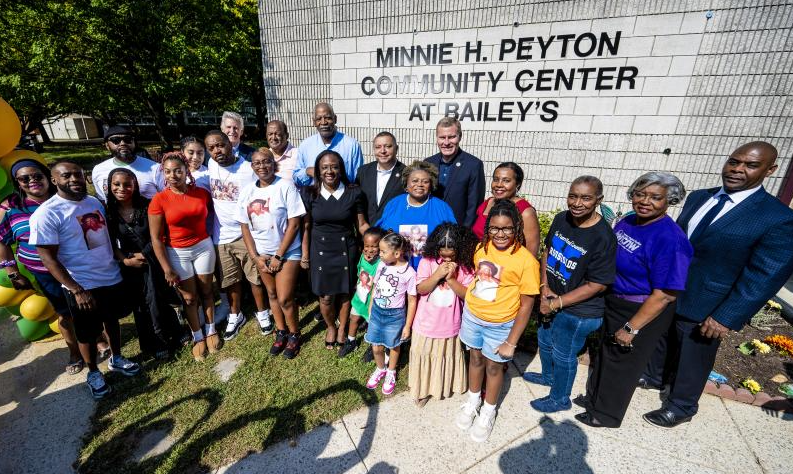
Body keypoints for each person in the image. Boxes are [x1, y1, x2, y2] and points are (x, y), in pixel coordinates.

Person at [643, 142, 793, 428]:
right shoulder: (700, 197)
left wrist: (727, 315)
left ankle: (682, 405)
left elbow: (765, 274)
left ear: (770, 170)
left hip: (711, 301)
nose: (737, 169)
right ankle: (653, 376)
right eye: (733, 162)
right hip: (671, 290)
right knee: (663, 339)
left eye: (750, 165)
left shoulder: (778, 217)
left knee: (694, 355)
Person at [574, 172, 692, 428]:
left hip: (640, 308)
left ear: (669, 200)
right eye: (640, 194)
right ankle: (594, 399)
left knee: (622, 363)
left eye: (655, 197)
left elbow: (665, 294)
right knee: (605, 354)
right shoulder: (629, 221)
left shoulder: (670, 239)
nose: (645, 201)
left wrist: (631, 327)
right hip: (615, 299)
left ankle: (605, 415)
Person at [30, 160, 140, 399]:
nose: (74, 179)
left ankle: (117, 358)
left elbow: (107, 237)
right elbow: (48, 258)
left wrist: (120, 261)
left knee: (111, 321)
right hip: (81, 283)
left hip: (109, 275)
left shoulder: (93, 203)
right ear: (54, 179)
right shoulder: (47, 213)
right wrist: (76, 289)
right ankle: (93, 372)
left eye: (78, 175)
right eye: (66, 175)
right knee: (87, 332)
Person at [523, 176, 617, 413]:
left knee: (564, 354)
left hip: (579, 311)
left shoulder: (603, 237)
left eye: (586, 198)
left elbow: (598, 284)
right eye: (573, 196)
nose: (577, 203)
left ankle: (560, 398)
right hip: (550, 297)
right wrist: (545, 287)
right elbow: (547, 252)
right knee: (544, 341)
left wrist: (558, 303)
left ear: (598, 200)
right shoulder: (561, 219)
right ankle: (547, 377)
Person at [456, 199, 539, 442]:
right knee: (475, 359)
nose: (500, 234)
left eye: (507, 229)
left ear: (517, 228)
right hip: (473, 316)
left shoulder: (526, 261)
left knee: (494, 367)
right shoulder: (482, 248)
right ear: (487, 228)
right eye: (494, 228)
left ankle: (488, 411)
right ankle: (472, 401)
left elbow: (526, 305)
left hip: (500, 324)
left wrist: (512, 341)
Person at [0, 159, 83, 374]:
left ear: (48, 177)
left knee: (87, 307)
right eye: (24, 178)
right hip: (43, 272)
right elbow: (3, 240)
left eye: (37, 176)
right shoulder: (12, 208)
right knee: (64, 313)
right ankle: (74, 352)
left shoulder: (66, 198)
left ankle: (100, 340)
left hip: (76, 267)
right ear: (17, 182)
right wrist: (12, 272)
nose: (32, 181)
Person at [106, 168, 184, 359]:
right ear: (109, 186)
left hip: (153, 259)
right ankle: (154, 342)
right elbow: (109, 241)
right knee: (141, 304)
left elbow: (159, 234)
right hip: (131, 265)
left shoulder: (148, 205)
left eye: (127, 184)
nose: (122, 188)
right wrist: (126, 259)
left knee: (158, 298)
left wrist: (145, 254)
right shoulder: (108, 213)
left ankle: (174, 333)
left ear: (135, 185)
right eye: (117, 184)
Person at [148, 152, 219, 362]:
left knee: (207, 291)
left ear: (186, 171)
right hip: (177, 252)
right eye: (168, 171)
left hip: (203, 247)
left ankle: (211, 329)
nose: (173, 175)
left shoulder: (201, 193)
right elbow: (156, 238)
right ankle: (198, 336)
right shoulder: (159, 200)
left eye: (178, 170)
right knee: (189, 298)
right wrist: (166, 268)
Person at [205, 131, 273, 341]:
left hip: (245, 234)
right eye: (212, 148)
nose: (217, 151)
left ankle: (262, 312)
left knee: (254, 277)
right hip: (221, 235)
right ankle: (236, 314)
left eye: (221, 145)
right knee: (229, 279)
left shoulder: (246, 170)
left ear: (230, 144)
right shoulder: (211, 165)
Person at [238, 149, 306, 359]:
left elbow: (294, 224)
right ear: (252, 167)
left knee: (285, 297)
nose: (262, 166)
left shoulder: (285, 187)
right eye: (257, 163)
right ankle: (281, 330)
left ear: (273, 164)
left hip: (287, 252)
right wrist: (255, 257)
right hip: (262, 253)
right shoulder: (247, 191)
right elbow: (245, 228)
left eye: (266, 162)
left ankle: (294, 333)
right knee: (272, 295)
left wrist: (278, 256)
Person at [301, 150, 369, 349]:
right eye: (324, 167)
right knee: (326, 296)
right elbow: (305, 227)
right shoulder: (309, 193)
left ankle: (341, 330)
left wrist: (376, 240)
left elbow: (361, 224)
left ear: (341, 169)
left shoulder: (353, 192)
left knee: (346, 292)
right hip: (320, 250)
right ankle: (331, 325)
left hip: (345, 248)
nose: (329, 171)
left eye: (334, 166)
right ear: (318, 170)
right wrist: (305, 254)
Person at [409, 223, 477, 407]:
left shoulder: (465, 267)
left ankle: (444, 385)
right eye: (442, 253)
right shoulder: (427, 262)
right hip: (425, 323)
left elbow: (467, 295)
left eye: (451, 255)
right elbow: (421, 289)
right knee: (425, 354)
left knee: (444, 355)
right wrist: (438, 274)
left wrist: (451, 278)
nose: (446, 257)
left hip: (450, 324)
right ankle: (422, 389)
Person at [375, 161, 457, 269]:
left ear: (431, 185)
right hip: (395, 270)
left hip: (431, 272)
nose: (419, 184)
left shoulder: (442, 207)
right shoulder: (394, 204)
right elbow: (379, 234)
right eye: (415, 181)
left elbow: (454, 239)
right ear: (406, 184)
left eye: (425, 181)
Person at [364, 232, 417, 395]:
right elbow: (375, 286)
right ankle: (380, 368)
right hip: (377, 312)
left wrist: (407, 326)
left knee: (394, 346)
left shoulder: (409, 274)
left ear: (396, 253)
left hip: (395, 316)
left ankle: (391, 372)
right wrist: (371, 306)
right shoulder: (381, 265)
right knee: (376, 346)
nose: (379, 254)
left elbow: (412, 300)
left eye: (382, 251)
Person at [425, 117, 485, 227]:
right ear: (437, 138)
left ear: (460, 137)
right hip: (429, 226)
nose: (446, 142)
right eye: (442, 137)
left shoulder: (473, 165)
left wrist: (464, 234)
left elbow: (474, 206)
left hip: (457, 229)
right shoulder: (428, 163)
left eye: (452, 137)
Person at [472, 162, 541, 256]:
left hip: (506, 268)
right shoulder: (487, 203)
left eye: (506, 181)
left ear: (517, 184)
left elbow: (531, 254)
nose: (499, 184)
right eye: (496, 179)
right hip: (478, 263)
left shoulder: (525, 212)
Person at [293, 103, 363, 186]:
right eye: (319, 119)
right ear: (314, 122)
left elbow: (359, 179)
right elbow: (296, 178)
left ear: (335, 119)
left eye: (328, 118)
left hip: (344, 196)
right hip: (314, 196)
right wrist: (308, 171)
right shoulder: (305, 145)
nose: (323, 122)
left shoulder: (351, 145)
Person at [341, 226, 385, 358]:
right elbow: (359, 271)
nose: (370, 250)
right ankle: (351, 340)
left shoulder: (382, 263)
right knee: (354, 318)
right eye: (367, 246)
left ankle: (373, 346)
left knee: (372, 325)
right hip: (360, 297)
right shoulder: (362, 257)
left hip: (372, 301)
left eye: (374, 246)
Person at [92, 126, 164, 202]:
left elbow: (167, 198)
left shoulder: (155, 168)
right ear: (107, 145)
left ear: (134, 143)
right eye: (116, 140)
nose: (123, 143)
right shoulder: (98, 170)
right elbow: (102, 199)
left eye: (128, 139)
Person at [355, 132, 407, 223]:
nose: (383, 151)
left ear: (396, 149)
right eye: (378, 147)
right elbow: (357, 202)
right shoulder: (363, 172)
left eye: (388, 146)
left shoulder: (406, 174)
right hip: (366, 231)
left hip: (392, 232)